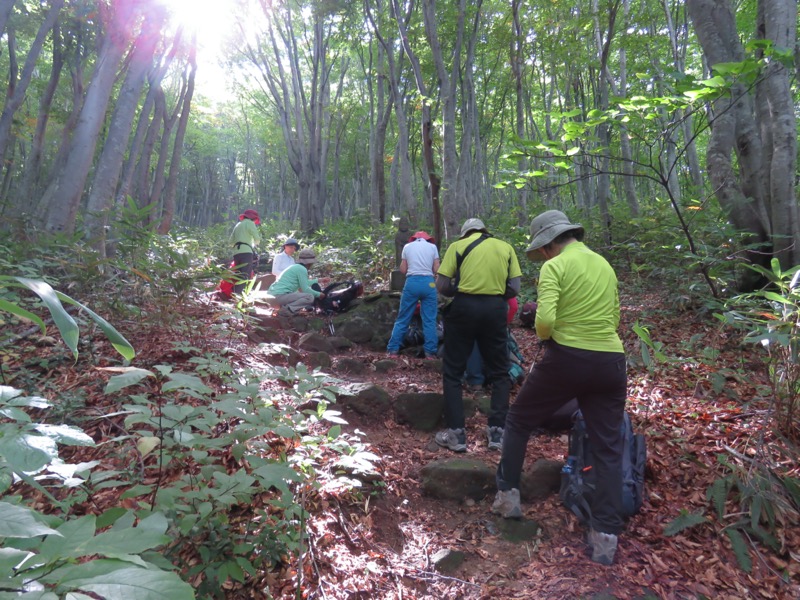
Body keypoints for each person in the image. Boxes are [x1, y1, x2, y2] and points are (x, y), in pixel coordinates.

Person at [492, 210, 627, 567]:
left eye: (543, 250)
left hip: (568, 355)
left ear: (550, 243)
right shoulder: (604, 264)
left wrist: (546, 336)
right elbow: (613, 317)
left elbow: (546, 320)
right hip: (611, 360)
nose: (544, 256)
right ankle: (606, 536)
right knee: (608, 446)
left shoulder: (555, 267)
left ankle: (508, 497)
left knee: (519, 418)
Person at [434, 218, 522, 452]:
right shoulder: (505, 247)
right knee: (500, 371)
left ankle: (456, 434)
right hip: (494, 309)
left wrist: (460, 289)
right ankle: (497, 433)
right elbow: (514, 288)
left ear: (465, 233)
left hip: (464, 307)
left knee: (453, 371)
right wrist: (493, 294)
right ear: (485, 230)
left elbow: (442, 285)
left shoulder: (457, 247)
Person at [386, 231, 440, 358]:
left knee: (403, 318)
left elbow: (403, 270)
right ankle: (430, 353)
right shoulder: (433, 247)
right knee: (429, 319)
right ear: (427, 239)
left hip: (412, 282)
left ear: (414, 238)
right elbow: (437, 269)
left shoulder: (407, 247)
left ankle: (393, 350)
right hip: (429, 283)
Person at [464, 297, 518, 388]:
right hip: (497, 315)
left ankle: (476, 382)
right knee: (496, 347)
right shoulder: (501, 282)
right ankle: (497, 381)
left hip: (473, 311)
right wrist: (505, 323)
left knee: (474, 346)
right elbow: (514, 306)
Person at [267, 248, 325, 314]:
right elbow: (305, 289)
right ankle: (286, 310)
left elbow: (304, 283)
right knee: (309, 297)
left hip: (271, 298)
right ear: (309, 263)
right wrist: (319, 294)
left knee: (299, 294)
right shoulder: (302, 269)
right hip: (277, 297)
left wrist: (319, 280)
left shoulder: (296, 267)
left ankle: (285, 309)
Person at [230, 209, 261, 293]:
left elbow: (231, 242)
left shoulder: (238, 225)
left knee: (238, 275)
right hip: (246, 252)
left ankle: (234, 293)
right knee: (245, 275)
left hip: (236, 253)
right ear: (253, 218)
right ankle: (237, 295)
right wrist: (253, 244)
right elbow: (257, 239)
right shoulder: (250, 224)